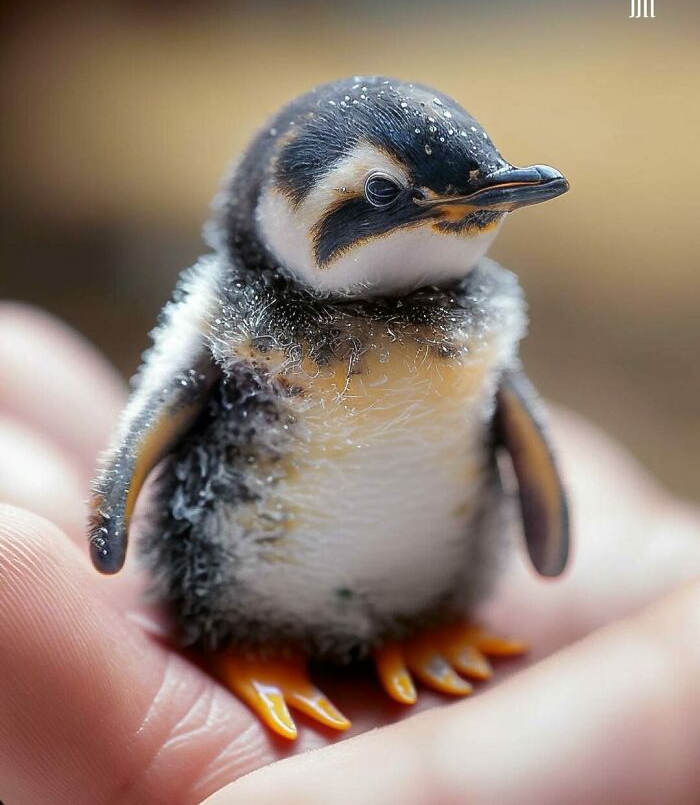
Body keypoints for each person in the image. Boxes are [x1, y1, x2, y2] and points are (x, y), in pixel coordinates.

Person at [1, 302, 699, 805]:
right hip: (251, 588)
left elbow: (520, 435)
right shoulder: (246, 319)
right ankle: (252, 647)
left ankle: (416, 631)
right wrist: (114, 518)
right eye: (388, 195)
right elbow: (165, 412)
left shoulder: (470, 326)